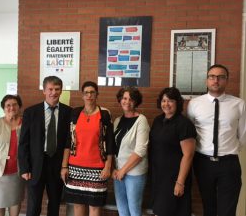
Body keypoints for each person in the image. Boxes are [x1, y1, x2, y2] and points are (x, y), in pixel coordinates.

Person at [187, 64, 246, 216]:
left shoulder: (239, 104)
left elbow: (243, 135)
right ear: (207, 80)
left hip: (229, 164)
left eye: (221, 77)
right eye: (212, 76)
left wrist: (229, 150)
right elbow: (191, 134)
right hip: (203, 163)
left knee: (227, 210)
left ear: (227, 80)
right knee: (209, 207)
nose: (216, 80)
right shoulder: (194, 104)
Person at [18, 76, 72, 216]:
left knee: (55, 204)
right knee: (34, 204)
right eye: (50, 89)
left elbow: (69, 140)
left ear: (61, 91)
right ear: (44, 90)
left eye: (57, 89)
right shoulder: (31, 112)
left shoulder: (68, 113)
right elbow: (23, 143)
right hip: (35, 166)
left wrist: (65, 166)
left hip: (58, 165)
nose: (53, 92)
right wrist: (24, 167)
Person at [61, 81, 115, 216]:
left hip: (97, 169)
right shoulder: (75, 113)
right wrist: (64, 166)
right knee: (78, 205)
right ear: (82, 95)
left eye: (92, 92)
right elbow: (68, 142)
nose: (89, 95)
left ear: (97, 94)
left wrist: (108, 166)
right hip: (75, 167)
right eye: (86, 92)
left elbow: (110, 143)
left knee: (95, 207)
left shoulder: (104, 114)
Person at [149, 87, 196, 216]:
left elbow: (188, 155)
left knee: (173, 211)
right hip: (159, 177)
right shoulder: (158, 121)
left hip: (174, 178)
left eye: (170, 101)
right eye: (164, 101)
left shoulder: (184, 124)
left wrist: (180, 182)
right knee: (159, 211)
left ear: (177, 103)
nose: (166, 104)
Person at [112, 87, 150, 216]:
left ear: (136, 102)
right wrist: (114, 169)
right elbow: (114, 147)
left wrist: (123, 170)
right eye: (124, 98)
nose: (127, 102)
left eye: (131, 99)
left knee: (134, 209)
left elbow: (140, 151)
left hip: (134, 173)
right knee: (122, 209)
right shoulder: (117, 121)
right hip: (118, 172)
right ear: (120, 100)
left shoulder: (141, 121)